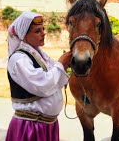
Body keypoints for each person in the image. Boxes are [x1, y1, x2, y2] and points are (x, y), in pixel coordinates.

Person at [6, 11, 72, 141]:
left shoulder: (41, 55)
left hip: (47, 125)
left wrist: (67, 66)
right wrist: (60, 64)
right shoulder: (19, 59)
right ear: (24, 35)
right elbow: (42, 85)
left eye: (43, 29)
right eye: (37, 31)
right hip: (30, 126)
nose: (43, 33)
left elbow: (57, 80)